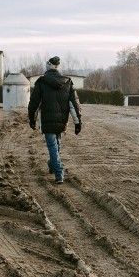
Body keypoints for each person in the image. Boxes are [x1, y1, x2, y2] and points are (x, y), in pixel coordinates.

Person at [28, 56, 82, 184]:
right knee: (56, 146)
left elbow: (34, 103)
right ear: (58, 67)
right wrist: (78, 122)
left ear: (48, 66)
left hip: (47, 121)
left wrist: (32, 118)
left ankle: (58, 173)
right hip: (61, 121)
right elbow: (74, 105)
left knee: (54, 147)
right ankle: (55, 167)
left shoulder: (41, 83)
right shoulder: (67, 83)